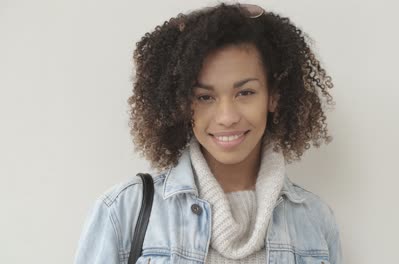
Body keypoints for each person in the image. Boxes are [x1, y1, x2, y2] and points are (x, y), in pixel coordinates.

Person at [74, 2, 343, 264]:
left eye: (245, 92)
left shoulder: (315, 219)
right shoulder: (123, 212)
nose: (227, 117)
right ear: (182, 104)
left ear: (273, 96)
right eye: (204, 97)